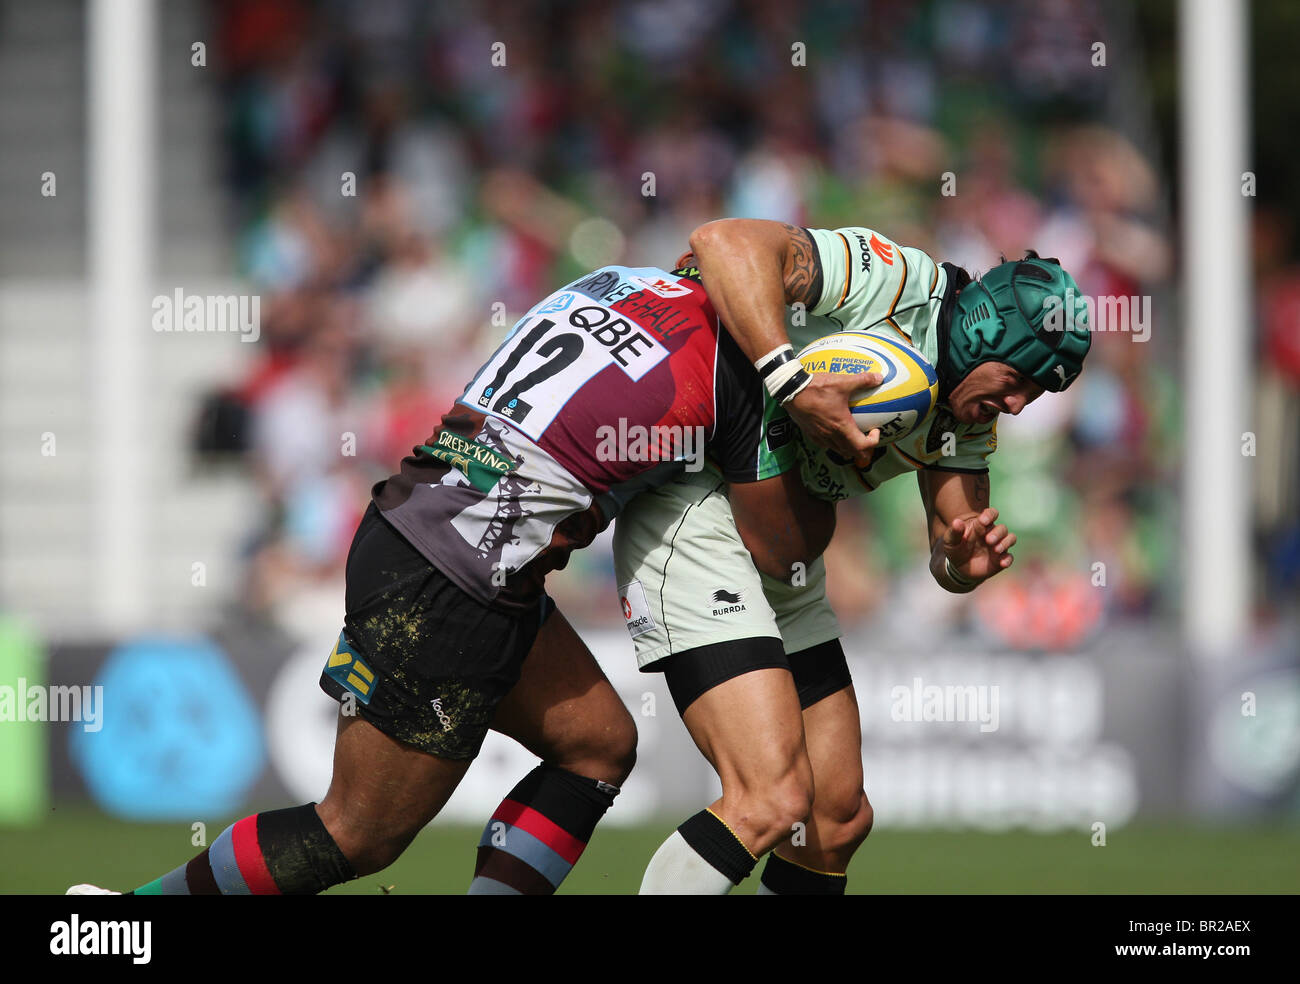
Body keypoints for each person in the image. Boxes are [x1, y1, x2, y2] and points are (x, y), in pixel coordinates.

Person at [69, 257, 874, 896]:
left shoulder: (614, 282)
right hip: (455, 579)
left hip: (424, 526)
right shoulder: (735, 373)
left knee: (596, 745)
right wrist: (841, 454)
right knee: (353, 834)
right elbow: (782, 552)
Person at [612, 219, 1091, 894]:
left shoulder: (969, 421)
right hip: (701, 505)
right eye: (1018, 379)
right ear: (985, 332)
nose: (1016, 405)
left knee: (833, 820)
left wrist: (961, 564)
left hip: (786, 552)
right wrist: (789, 379)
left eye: (1037, 395)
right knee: (769, 799)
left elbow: (951, 545)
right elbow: (722, 243)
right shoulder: (895, 281)